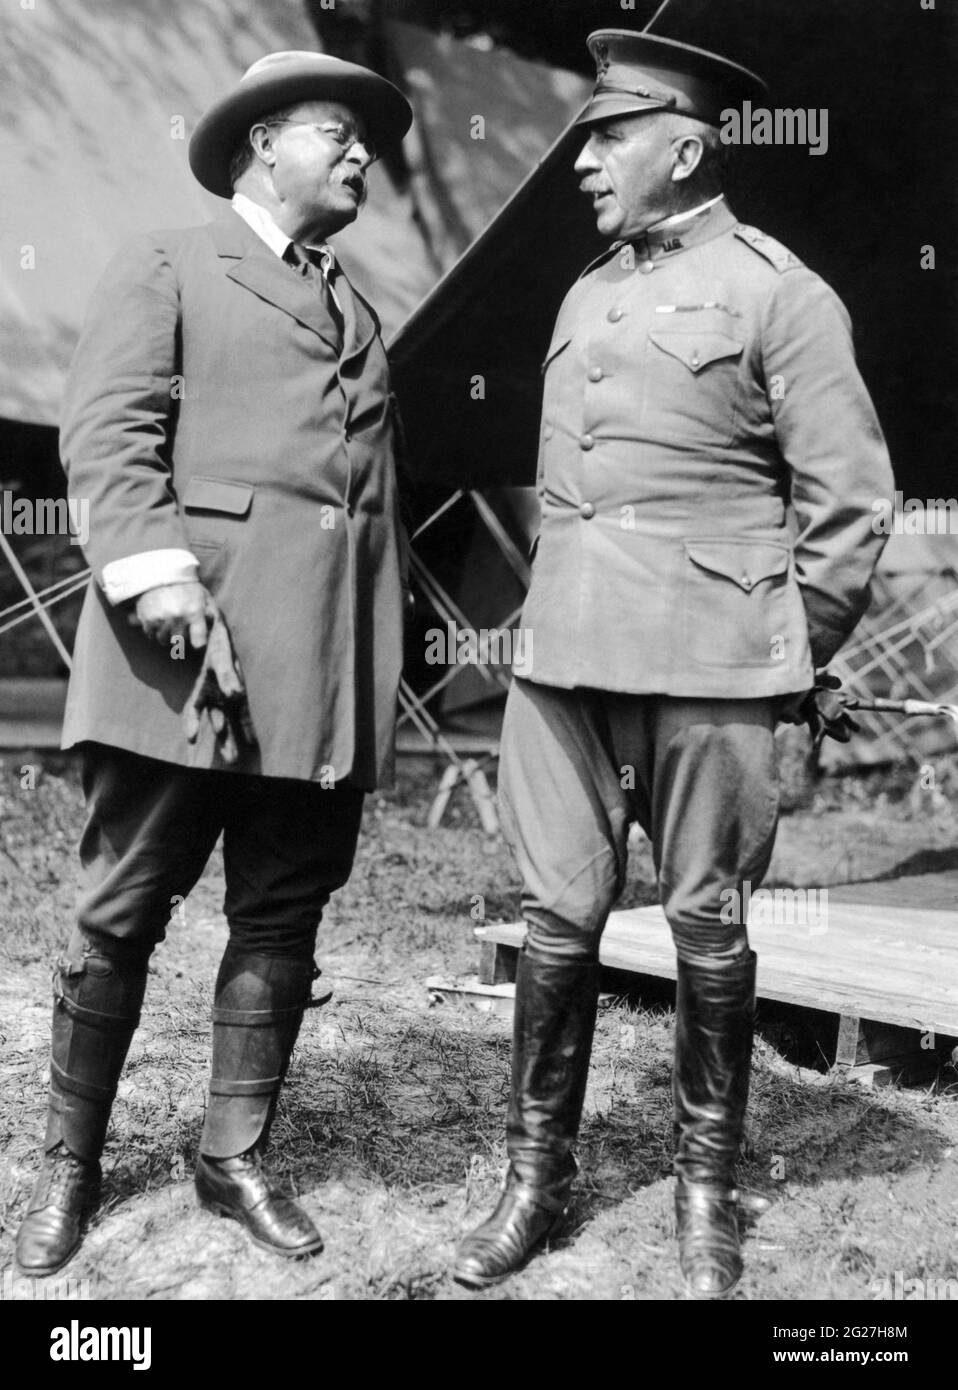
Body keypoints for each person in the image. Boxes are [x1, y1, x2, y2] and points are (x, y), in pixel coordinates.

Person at [454, 29, 894, 1297]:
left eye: (610, 136)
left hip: (712, 665)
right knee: (555, 915)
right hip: (564, 659)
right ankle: (534, 1180)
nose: (583, 161)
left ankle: (706, 1193)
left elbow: (849, 505)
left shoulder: (781, 294)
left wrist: (781, 653)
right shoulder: (583, 292)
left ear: (686, 149)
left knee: (706, 921)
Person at [15, 50, 412, 1275]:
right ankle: (71, 1162)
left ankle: (232, 1156)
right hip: (184, 658)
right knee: (123, 906)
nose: (361, 154)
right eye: (336, 132)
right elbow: (109, 433)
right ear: (260, 145)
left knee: (282, 912)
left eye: (364, 139)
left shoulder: (358, 307)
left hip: (319, 672)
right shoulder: (169, 261)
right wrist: (160, 576)